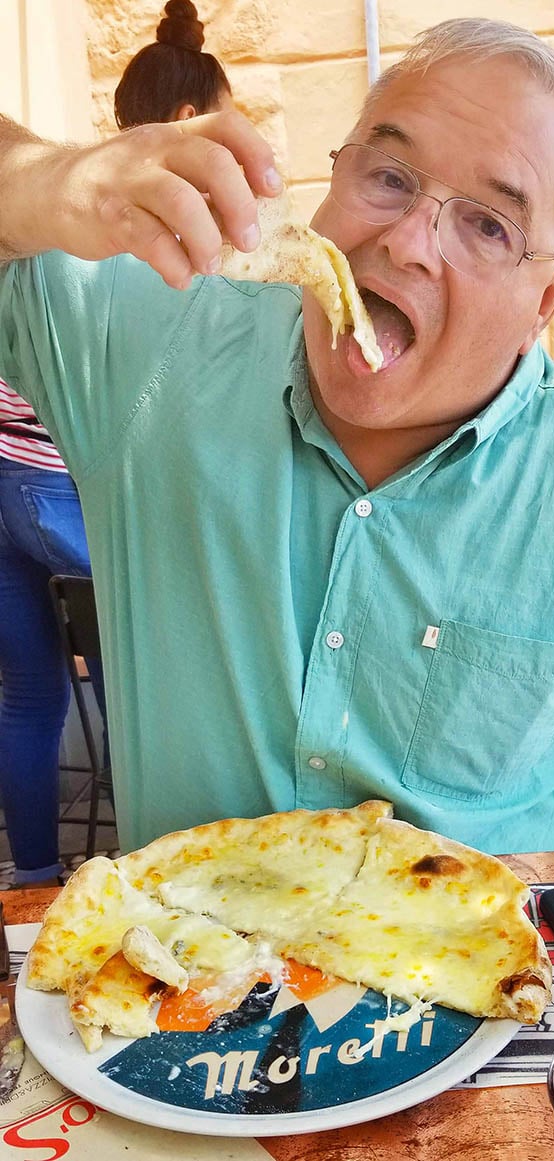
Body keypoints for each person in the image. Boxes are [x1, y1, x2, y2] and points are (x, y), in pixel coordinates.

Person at [0, 17, 554, 859]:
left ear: (547, 302)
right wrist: (44, 183)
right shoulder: (153, 343)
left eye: (490, 226)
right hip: (185, 978)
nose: (406, 242)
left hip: (505, 978)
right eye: (389, 175)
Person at [0, 0, 232, 885]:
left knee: (32, 695)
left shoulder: (66, 224)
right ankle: (150, 876)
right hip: (62, 488)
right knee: (152, 673)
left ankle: (30, 880)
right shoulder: (167, 253)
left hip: (1, 485)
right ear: (191, 125)